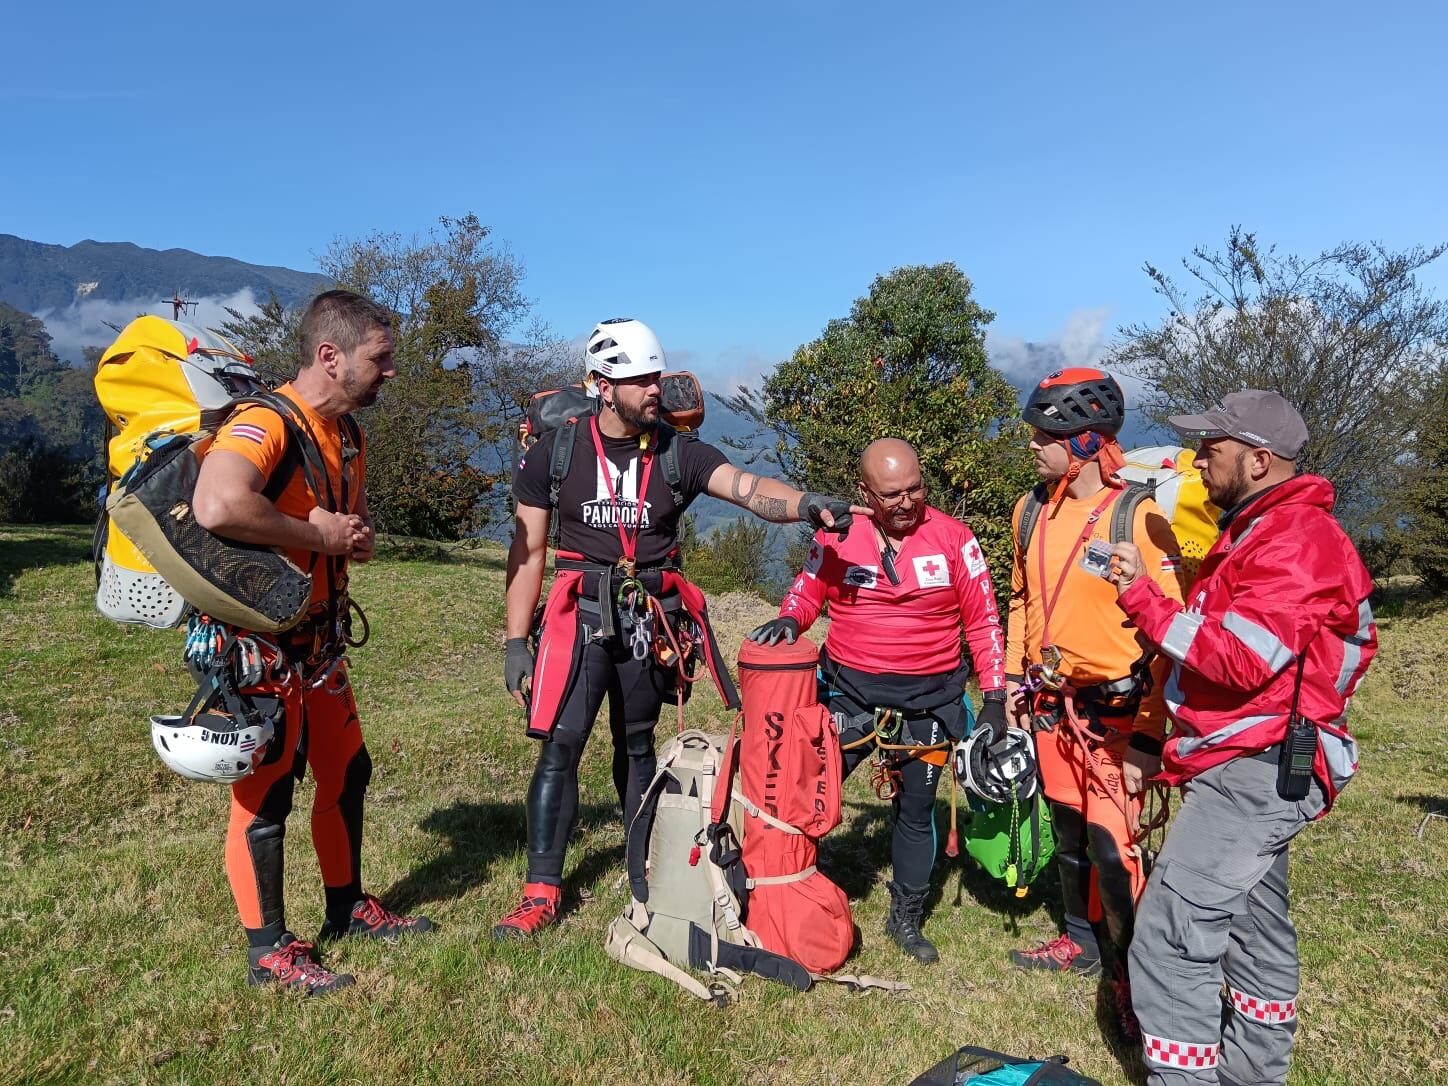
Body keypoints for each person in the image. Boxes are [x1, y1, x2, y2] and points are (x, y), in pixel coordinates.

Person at [497, 316, 868, 939]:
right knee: (560, 749)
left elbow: (747, 489)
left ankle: (642, 867)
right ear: (599, 385)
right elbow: (527, 551)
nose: (654, 391)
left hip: (648, 617)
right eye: (637, 381)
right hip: (580, 614)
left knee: (638, 745)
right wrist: (514, 641)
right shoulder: (555, 453)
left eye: (655, 377)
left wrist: (806, 505)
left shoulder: (677, 451)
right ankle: (541, 889)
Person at [1109, 391, 1376, 1085]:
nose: (1198, 463)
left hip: (1254, 767)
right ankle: (1255, 1075)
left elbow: (1239, 660)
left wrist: (1144, 601)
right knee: (1254, 929)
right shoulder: (1263, 529)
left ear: (1258, 460)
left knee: (1168, 943)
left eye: (1212, 449)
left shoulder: (1293, 540)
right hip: (1248, 757)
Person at [193, 289, 431, 995]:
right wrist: (318, 535)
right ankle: (268, 950)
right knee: (266, 799)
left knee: (347, 772)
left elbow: (344, 523)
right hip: (260, 648)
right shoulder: (265, 422)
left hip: (322, 646)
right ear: (330, 356)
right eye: (378, 359)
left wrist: (352, 538)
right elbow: (217, 503)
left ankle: (347, 906)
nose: (389, 372)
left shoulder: (350, 434)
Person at [748, 438, 1007, 964]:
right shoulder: (839, 534)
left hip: (930, 700)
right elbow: (808, 590)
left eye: (916, 489)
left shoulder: (957, 540)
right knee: (803, 791)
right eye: (893, 495)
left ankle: (906, 915)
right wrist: (788, 619)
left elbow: (983, 622)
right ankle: (786, 889)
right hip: (850, 693)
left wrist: (996, 697)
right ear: (865, 492)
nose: (908, 501)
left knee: (916, 810)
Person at [1003, 368, 1184, 1037]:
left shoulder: (1136, 513)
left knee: (1115, 850)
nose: (1032, 444)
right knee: (1069, 833)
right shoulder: (1031, 510)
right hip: (1055, 705)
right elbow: (1024, 598)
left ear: (1084, 440)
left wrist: (1147, 735)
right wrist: (1024, 677)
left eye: (1044, 433)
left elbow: (1171, 633)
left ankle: (1136, 978)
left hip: (1116, 713)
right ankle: (1081, 943)